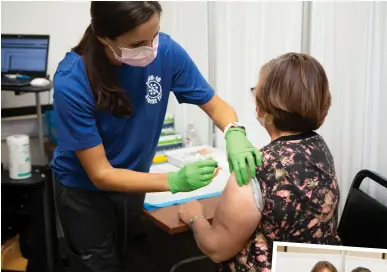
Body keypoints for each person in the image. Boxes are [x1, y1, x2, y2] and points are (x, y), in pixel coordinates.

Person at [52, 1, 261, 271]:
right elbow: (101, 173)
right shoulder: (72, 80)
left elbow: (214, 104)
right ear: (104, 38)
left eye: (155, 35)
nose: (151, 49)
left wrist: (234, 131)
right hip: (86, 195)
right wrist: (174, 181)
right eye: (138, 43)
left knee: (131, 260)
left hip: (134, 183)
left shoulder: (167, 51)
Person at [179, 53, 342, 271]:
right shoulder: (320, 148)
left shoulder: (254, 169)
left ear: (264, 108)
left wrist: (194, 216)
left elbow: (216, 248)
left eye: (256, 93)